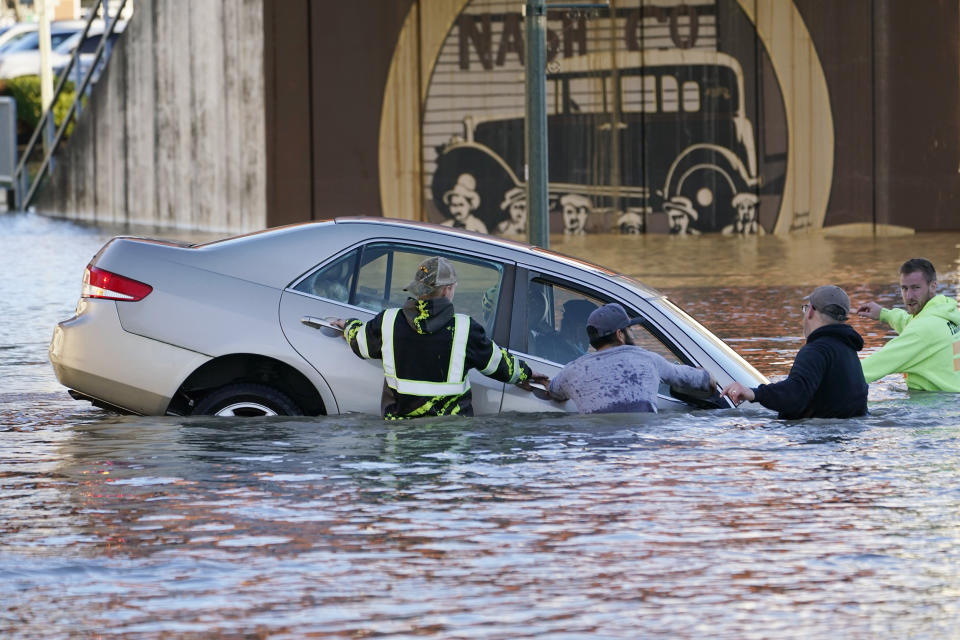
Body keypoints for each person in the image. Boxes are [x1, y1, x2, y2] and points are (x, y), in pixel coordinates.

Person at [334, 257, 548, 419]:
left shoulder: (387, 321)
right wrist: (527, 373)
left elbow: (359, 342)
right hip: (450, 442)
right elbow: (499, 366)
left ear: (417, 289)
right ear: (447, 291)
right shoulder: (466, 329)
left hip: (400, 439)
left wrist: (349, 325)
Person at [723, 285, 868, 419]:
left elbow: (796, 394)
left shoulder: (816, 350)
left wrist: (754, 393)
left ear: (810, 310)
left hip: (819, 442)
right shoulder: (849, 351)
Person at [547, 303, 715, 413]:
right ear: (620, 335)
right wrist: (703, 372)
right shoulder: (649, 360)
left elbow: (554, 392)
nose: (632, 334)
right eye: (629, 329)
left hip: (598, 454)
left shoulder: (572, 371)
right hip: (641, 452)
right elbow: (707, 382)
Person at [856, 258, 960, 391]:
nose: (909, 295)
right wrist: (884, 314)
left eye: (916, 288)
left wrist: (828, 379)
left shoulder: (922, 330)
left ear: (933, 286)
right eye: (904, 288)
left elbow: (870, 368)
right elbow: (912, 323)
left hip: (935, 407)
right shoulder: (946, 311)